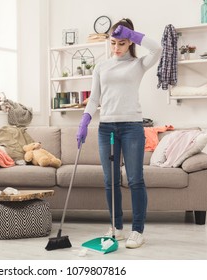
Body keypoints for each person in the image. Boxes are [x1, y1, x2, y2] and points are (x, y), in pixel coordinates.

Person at [76, 18, 162, 249]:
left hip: (132, 127)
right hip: (106, 128)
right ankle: (117, 228)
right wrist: (84, 120)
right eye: (114, 42)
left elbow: (158, 48)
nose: (116, 48)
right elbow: (94, 98)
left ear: (130, 43)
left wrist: (135, 35)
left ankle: (137, 231)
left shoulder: (139, 64)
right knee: (110, 181)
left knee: (135, 180)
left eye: (122, 43)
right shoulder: (101, 66)